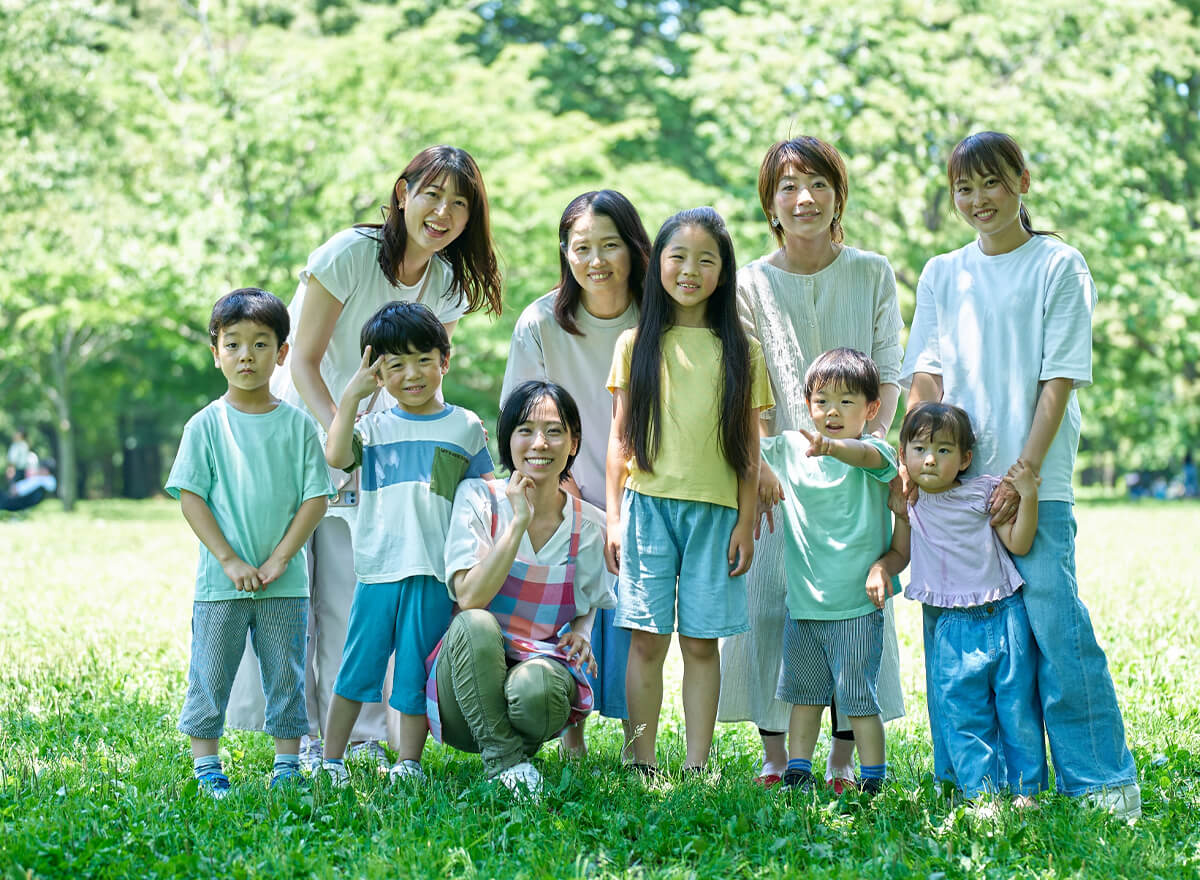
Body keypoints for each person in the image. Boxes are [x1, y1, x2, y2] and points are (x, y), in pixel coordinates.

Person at [225, 145, 503, 771]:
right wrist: (342, 440)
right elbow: (302, 358)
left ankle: (364, 741)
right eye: (432, 194)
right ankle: (291, 743)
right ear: (402, 193)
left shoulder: (447, 284)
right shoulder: (348, 254)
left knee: (355, 600)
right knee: (292, 599)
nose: (443, 213)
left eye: (460, 204)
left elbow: (426, 370)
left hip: (379, 457)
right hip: (307, 436)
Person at [902, 130, 1141, 821]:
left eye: (992, 183)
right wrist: (918, 461)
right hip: (951, 488)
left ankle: (1101, 779)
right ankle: (978, 780)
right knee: (958, 635)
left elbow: (1058, 379)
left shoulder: (1059, 265)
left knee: (1054, 628)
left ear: (1023, 182)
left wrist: (1026, 472)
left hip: (1033, 481)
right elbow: (927, 374)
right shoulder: (942, 272)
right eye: (964, 188)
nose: (978, 200)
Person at [718, 136, 906, 790]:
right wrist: (763, 464)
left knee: (855, 611)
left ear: (837, 195)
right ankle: (778, 755)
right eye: (789, 187)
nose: (805, 198)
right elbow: (745, 385)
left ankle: (845, 759)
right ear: (771, 205)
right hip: (776, 472)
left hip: (858, 469)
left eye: (818, 184)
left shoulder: (873, 271)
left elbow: (892, 368)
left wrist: (868, 450)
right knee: (771, 602)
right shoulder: (748, 283)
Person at [606, 206, 774, 775]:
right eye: (678, 256)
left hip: (717, 515)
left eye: (707, 259)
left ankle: (698, 766)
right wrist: (612, 518)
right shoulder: (635, 344)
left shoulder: (743, 351)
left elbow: (750, 450)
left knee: (702, 644)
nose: (690, 270)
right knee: (647, 640)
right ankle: (640, 760)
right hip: (647, 509)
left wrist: (746, 522)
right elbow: (619, 440)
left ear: (724, 272)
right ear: (657, 266)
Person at [501, 190, 651, 756]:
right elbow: (522, 407)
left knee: (640, 620)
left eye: (610, 246)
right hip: (566, 483)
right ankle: (571, 732)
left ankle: (641, 744)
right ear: (564, 253)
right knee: (567, 608)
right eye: (581, 247)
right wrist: (554, 484)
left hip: (645, 489)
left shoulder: (656, 316)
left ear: (634, 249)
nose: (596, 261)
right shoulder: (541, 321)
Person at [165, 289, 333, 797]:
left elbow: (315, 499)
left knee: (287, 673)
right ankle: (206, 766)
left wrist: (282, 558)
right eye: (233, 344)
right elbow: (191, 497)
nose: (246, 356)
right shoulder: (206, 425)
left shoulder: (299, 426)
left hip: (285, 583)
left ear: (282, 353)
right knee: (210, 673)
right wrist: (230, 559)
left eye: (261, 344)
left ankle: (287, 763)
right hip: (222, 584)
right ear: (215, 352)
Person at [318, 302, 493, 786]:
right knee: (358, 667)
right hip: (379, 570)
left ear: (445, 359)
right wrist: (353, 397)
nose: (411, 374)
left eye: (422, 360)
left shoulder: (466, 427)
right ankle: (331, 760)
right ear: (378, 373)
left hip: (436, 574)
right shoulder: (372, 430)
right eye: (395, 365)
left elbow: (484, 495)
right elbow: (335, 455)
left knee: (414, 673)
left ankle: (408, 763)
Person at [433, 381, 614, 798]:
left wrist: (583, 632)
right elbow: (469, 597)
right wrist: (516, 522)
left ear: (573, 443)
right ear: (507, 438)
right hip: (463, 687)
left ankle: (513, 754)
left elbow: (591, 597)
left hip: (536, 678)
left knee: (539, 690)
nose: (539, 443)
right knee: (475, 623)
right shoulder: (477, 497)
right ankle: (506, 760)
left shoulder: (590, 525)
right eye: (525, 430)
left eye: (554, 431)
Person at [872, 403, 1046, 802]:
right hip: (951, 629)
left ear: (965, 458)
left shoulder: (983, 492)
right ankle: (979, 795)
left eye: (944, 450)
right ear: (903, 456)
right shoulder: (908, 504)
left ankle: (1026, 793)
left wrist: (1029, 496)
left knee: (1018, 711)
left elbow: (1018, 542)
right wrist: (882, 567)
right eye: (918, 449)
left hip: (1004, 617)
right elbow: (901, 554)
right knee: (963, 715)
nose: (930, 458)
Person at [757, 348, 897, 795]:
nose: (832, 412)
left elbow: (870, 460)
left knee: (858, 700)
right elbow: (747, 448)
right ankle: (798, 770)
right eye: (821, 401)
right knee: (804, 697)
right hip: (804, 606)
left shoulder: (875, 450)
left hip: (856, 606)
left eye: (846, 401)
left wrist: (833, 447)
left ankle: (873, 779)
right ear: (808, 405)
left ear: (871, 409)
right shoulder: (792, 449)